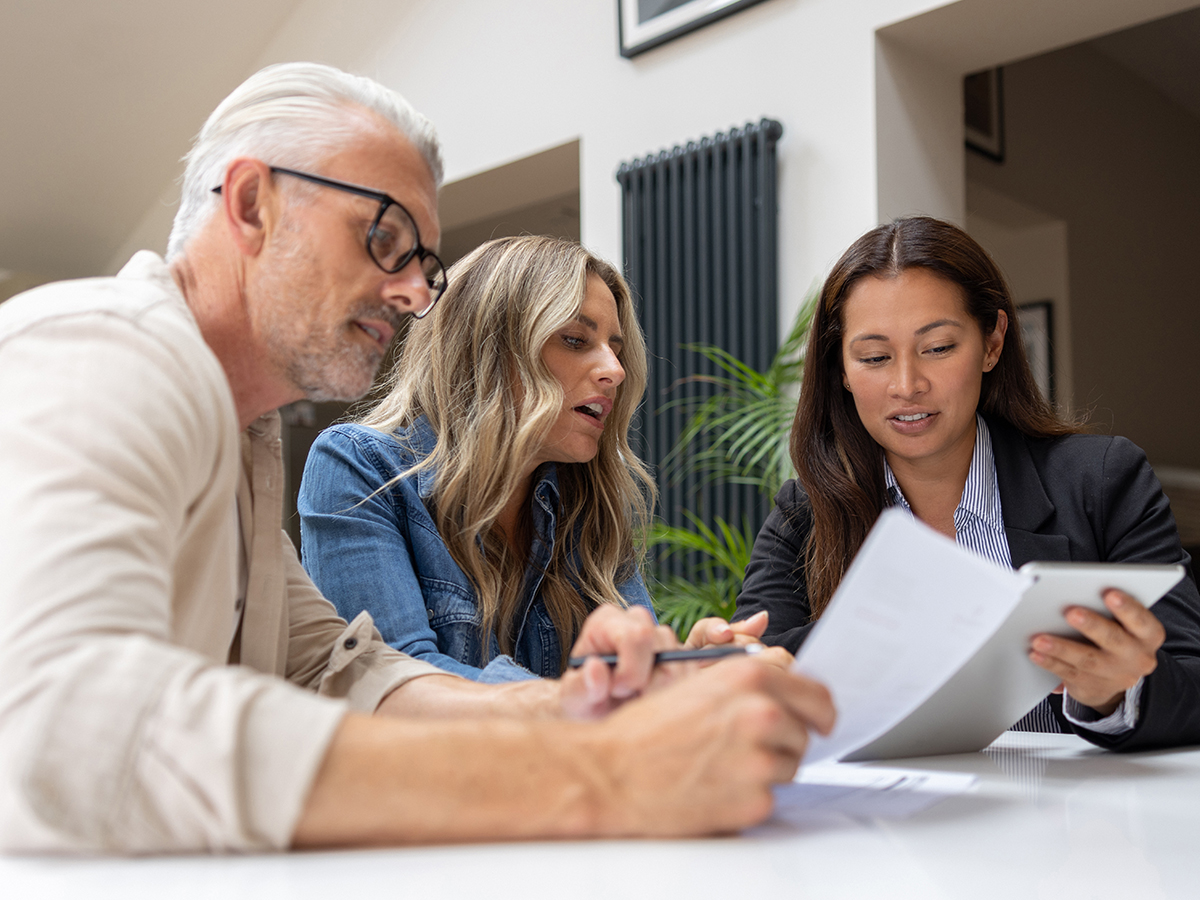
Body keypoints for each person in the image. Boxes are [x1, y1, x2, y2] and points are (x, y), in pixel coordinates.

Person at [0, 62, 835, 853]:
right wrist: (598, 773)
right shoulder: (104, 350)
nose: (412, 294)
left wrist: (570, 707)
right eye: (384, 237)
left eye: (422, 262)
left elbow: (339, 669)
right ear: (252, 202)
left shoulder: (243, 440)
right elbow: (70, 718)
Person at [731, 215, 1200, 751]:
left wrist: (1119, 692)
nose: (907, 385)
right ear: (841, 368)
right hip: (889, 822)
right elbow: (754, 669)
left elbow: (1190, 680)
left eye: (938, 348)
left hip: (1076, 824)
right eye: (875, 358)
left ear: (992, 343)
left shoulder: (1101, 481)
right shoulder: (805, 511)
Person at [299, 236, 665, 682]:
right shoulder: (359, 466)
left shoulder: (592, 497)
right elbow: (393, 684)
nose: (616, 370)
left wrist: (686, 670)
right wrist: (571, 699)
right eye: (574, 339)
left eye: (616, 348)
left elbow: (634, 678)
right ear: (488, 351)